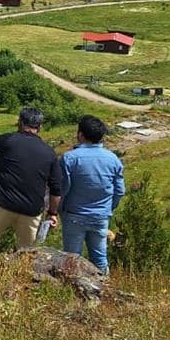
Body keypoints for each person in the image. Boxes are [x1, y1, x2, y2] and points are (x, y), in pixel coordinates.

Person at [0, 107, 62, 252]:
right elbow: (56, 189)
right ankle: (22, 274)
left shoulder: (7, 140)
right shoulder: (49, 152)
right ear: (40, 127)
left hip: (2, 203)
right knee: (27, 251)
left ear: (19, 122)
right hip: (31, 209)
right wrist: (52, 213)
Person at [58, 115, 126, 275]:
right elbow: (120, 191)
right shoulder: (113, 159)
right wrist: (109, 208)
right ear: (101, 136)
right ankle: (104, 290)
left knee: (72, 258)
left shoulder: (70, 158)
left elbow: (63, 188)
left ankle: (72, 291)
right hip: (101, 216)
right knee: (100, 258)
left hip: (74, 214)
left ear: (81, 135)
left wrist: (60, 210)